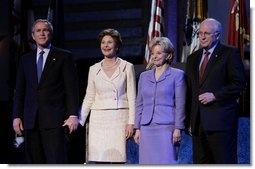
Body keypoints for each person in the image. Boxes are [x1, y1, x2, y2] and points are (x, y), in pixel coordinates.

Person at [12, 19, 79, 164]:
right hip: (31, 121)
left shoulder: (64, 56)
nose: (42, 33)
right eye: (38, 30)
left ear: (51, 33)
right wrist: (16, 116)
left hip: (55, 120)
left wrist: (73, 114)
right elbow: (20, 92)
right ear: (33, 35)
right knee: (34, 162)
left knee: (55, 161)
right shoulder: (25, 59)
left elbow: (71, 88)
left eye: (45, 30)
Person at [185, 18, 246, 164]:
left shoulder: (229, 53)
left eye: (207, 33)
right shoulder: (193, 58)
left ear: (217, 35)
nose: (202, 37)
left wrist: (215, 95)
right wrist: (189, 119)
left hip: (221, 123)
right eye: (200, 33)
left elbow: (239, 83)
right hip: (198, 124)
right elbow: (190, 91)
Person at [79, 28, 136, 163]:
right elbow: (89, 97)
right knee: (99, 159)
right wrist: (79, 120)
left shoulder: (127, 67)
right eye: (103, 42)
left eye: (109, 42)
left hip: (119, 119)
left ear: (117, 46)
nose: (105, 45)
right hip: (98, 120)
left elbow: (132, 97)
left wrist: (131, 122)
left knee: (118, 159)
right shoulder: (93, 69)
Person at [134, 37, 186, 164]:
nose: (154, 56)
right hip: (146, 127)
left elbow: (180, 104)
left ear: (168, 55)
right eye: (152, 53)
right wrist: (137, 128)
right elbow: (139, 103)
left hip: (166, 128)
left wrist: (178, 128)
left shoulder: (177, 75)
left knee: (166, 162)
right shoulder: (144, 76)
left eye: (158, 53)